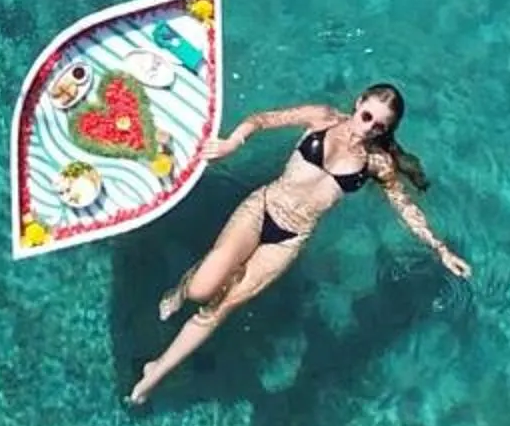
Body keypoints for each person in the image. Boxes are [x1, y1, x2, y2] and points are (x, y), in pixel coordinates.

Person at [129, 83, 469, 406]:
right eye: (367, 116)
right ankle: (182, 289)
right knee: (201, 290)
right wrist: (234, 142)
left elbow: (404, 206)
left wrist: (440, 249)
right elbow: (263, 119)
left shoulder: (376, 163)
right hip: (261, 209)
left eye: (380, 127)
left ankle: (155, 372)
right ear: (359, 102)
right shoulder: (321, 117)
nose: (368, 129)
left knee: (220, 307)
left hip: (290, 239)